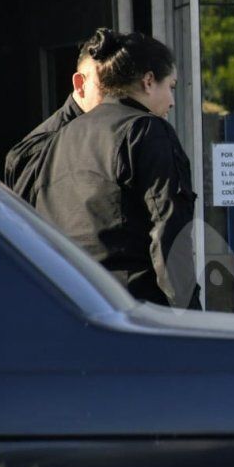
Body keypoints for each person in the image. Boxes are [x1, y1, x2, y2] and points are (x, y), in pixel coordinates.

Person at [34, 28, 201, 309]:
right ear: (148, 81)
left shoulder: (60, 137)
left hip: (69, 310)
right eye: (170, 87)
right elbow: (170, 236)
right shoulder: (147, 130)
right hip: (133, 314)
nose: (172, 101)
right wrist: (193, 322)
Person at [4, 34, 103, 204]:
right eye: (108, 88)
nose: (119, 99)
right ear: (80, 84)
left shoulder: (121, 134)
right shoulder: (40, 149)